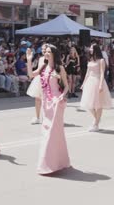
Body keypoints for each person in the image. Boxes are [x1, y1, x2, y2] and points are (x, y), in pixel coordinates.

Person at [26, 44, 70, 175]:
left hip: (56, 103)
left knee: (53, 133)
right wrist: (29, 59)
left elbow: (66, 86)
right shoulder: (43, 67)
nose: (46, 53)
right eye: (45, 52)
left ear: (54, 54)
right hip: (46, 103)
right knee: (47, 132)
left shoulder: (59, 68)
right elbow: (30, 75)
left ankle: (49, 163)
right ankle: (55, 161)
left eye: (49, 52)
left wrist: (61, 96)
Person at [80, 44, 113, 132]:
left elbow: (102, 73)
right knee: (89, 104)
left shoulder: (101, 60)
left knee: (98, 104)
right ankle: (97, 119)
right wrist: (83, 83)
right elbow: (87, 73)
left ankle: (96, 124)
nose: (89, 49)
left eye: (91, 48)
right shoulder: (90, 60)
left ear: (95, 49)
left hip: (98, 81)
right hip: (90, 82)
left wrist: (101, 84)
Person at [26, 44, 47, 124]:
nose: (43, 51)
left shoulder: (53, 59)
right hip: (40, 79)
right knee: (38, 99)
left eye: (45, 49)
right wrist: (29, 60)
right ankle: (38, 117)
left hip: (49, 80)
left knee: (47, 100)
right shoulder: (41, 59)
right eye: (42, 49)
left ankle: (48, 117)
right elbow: (37, 71)